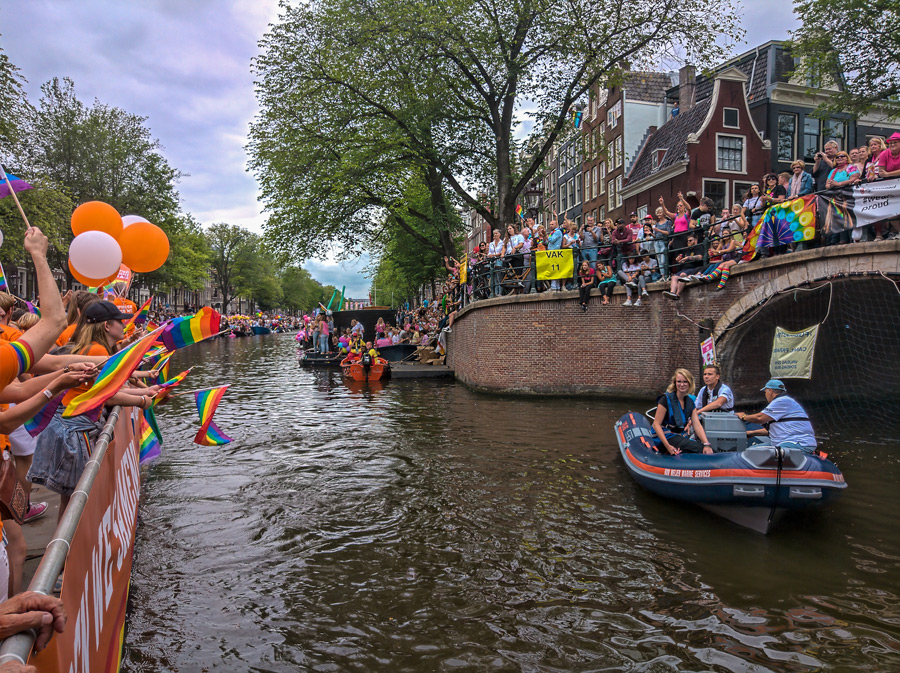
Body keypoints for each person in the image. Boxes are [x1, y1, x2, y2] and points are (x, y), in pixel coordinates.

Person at [737, 379, 817, 451]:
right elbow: (776, 430)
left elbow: (759, 418)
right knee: (751, 450)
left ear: (770, 391)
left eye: (765, 392)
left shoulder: (781, 401)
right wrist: (752, 433)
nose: (765, 395)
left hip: (797, 443)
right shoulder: (786, 402)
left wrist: (744, 417)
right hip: (790, 442)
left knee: (754, 453)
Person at [652, 368, 714, 455]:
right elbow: (656, 424)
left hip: (679, 436)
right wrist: (668, 446)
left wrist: (706, 444)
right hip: (665, 436)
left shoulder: (690, 402)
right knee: (699, 448)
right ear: (675, 383)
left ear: (689, 383)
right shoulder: (665, 399)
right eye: (679, 382)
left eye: (685, 382)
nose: (682, 384)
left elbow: (697, 424)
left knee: (705, 447)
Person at [663, 233, 704, 300]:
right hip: (685, 268)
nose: (688, 242)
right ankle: (672, 292)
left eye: (690, 240)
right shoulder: (687, 249)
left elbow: (700, 257)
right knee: (674, 277)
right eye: (687, 241)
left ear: (695, 240)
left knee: (682, 275)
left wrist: (688, 258)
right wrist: (679, 259)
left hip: (694, 267)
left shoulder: (699, 247)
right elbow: (682, 259)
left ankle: (677, 294)